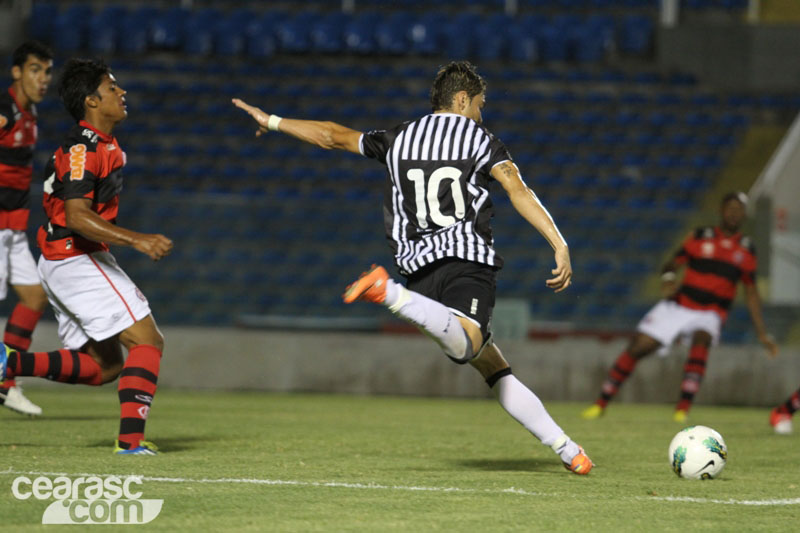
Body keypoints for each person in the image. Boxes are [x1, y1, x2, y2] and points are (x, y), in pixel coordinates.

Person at [234, 61, 592, 474]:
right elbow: (518, 189)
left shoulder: (399, 137)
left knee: (490, 363)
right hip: (465, 260)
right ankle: (388, 293)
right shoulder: (480, 139)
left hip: (419, 271)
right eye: (480, 105)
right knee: (468, 345)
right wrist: (559, 243)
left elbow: (331, 136)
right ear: (462, 100)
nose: (481, 114)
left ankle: (568, 450)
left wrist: (273, 121)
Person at [0, 58, 173, 454]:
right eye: (112, 87)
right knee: (148, 341)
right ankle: (131, 444)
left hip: (62, 260)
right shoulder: (84, 149)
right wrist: (138, 240)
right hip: (74, 257)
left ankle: (9, 363)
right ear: (92, 101)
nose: (121, 92)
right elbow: (77, 216)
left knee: (105, 367)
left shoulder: (102, 144)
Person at [581, 192, 779, 423]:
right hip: (679, 305)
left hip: (711, 312)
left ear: (745, 215)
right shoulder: (699, 236)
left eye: (739, 209)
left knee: (702, 340)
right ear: (721, 210)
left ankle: (682, 410)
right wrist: (668, 278)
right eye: (730, 208)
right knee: (638, 346)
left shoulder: (747, 248)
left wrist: (762, 333)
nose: (734, 213)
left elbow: (751, 292)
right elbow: (671, 264)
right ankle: (600, 404)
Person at [0, 41, 54, 416]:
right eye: (35, 70)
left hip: (13, 228)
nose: (43, 79)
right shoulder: (5, 110)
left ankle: (5, 382)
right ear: (17, 72)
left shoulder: (28, 112)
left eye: (47, 71)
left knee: (35, 297)